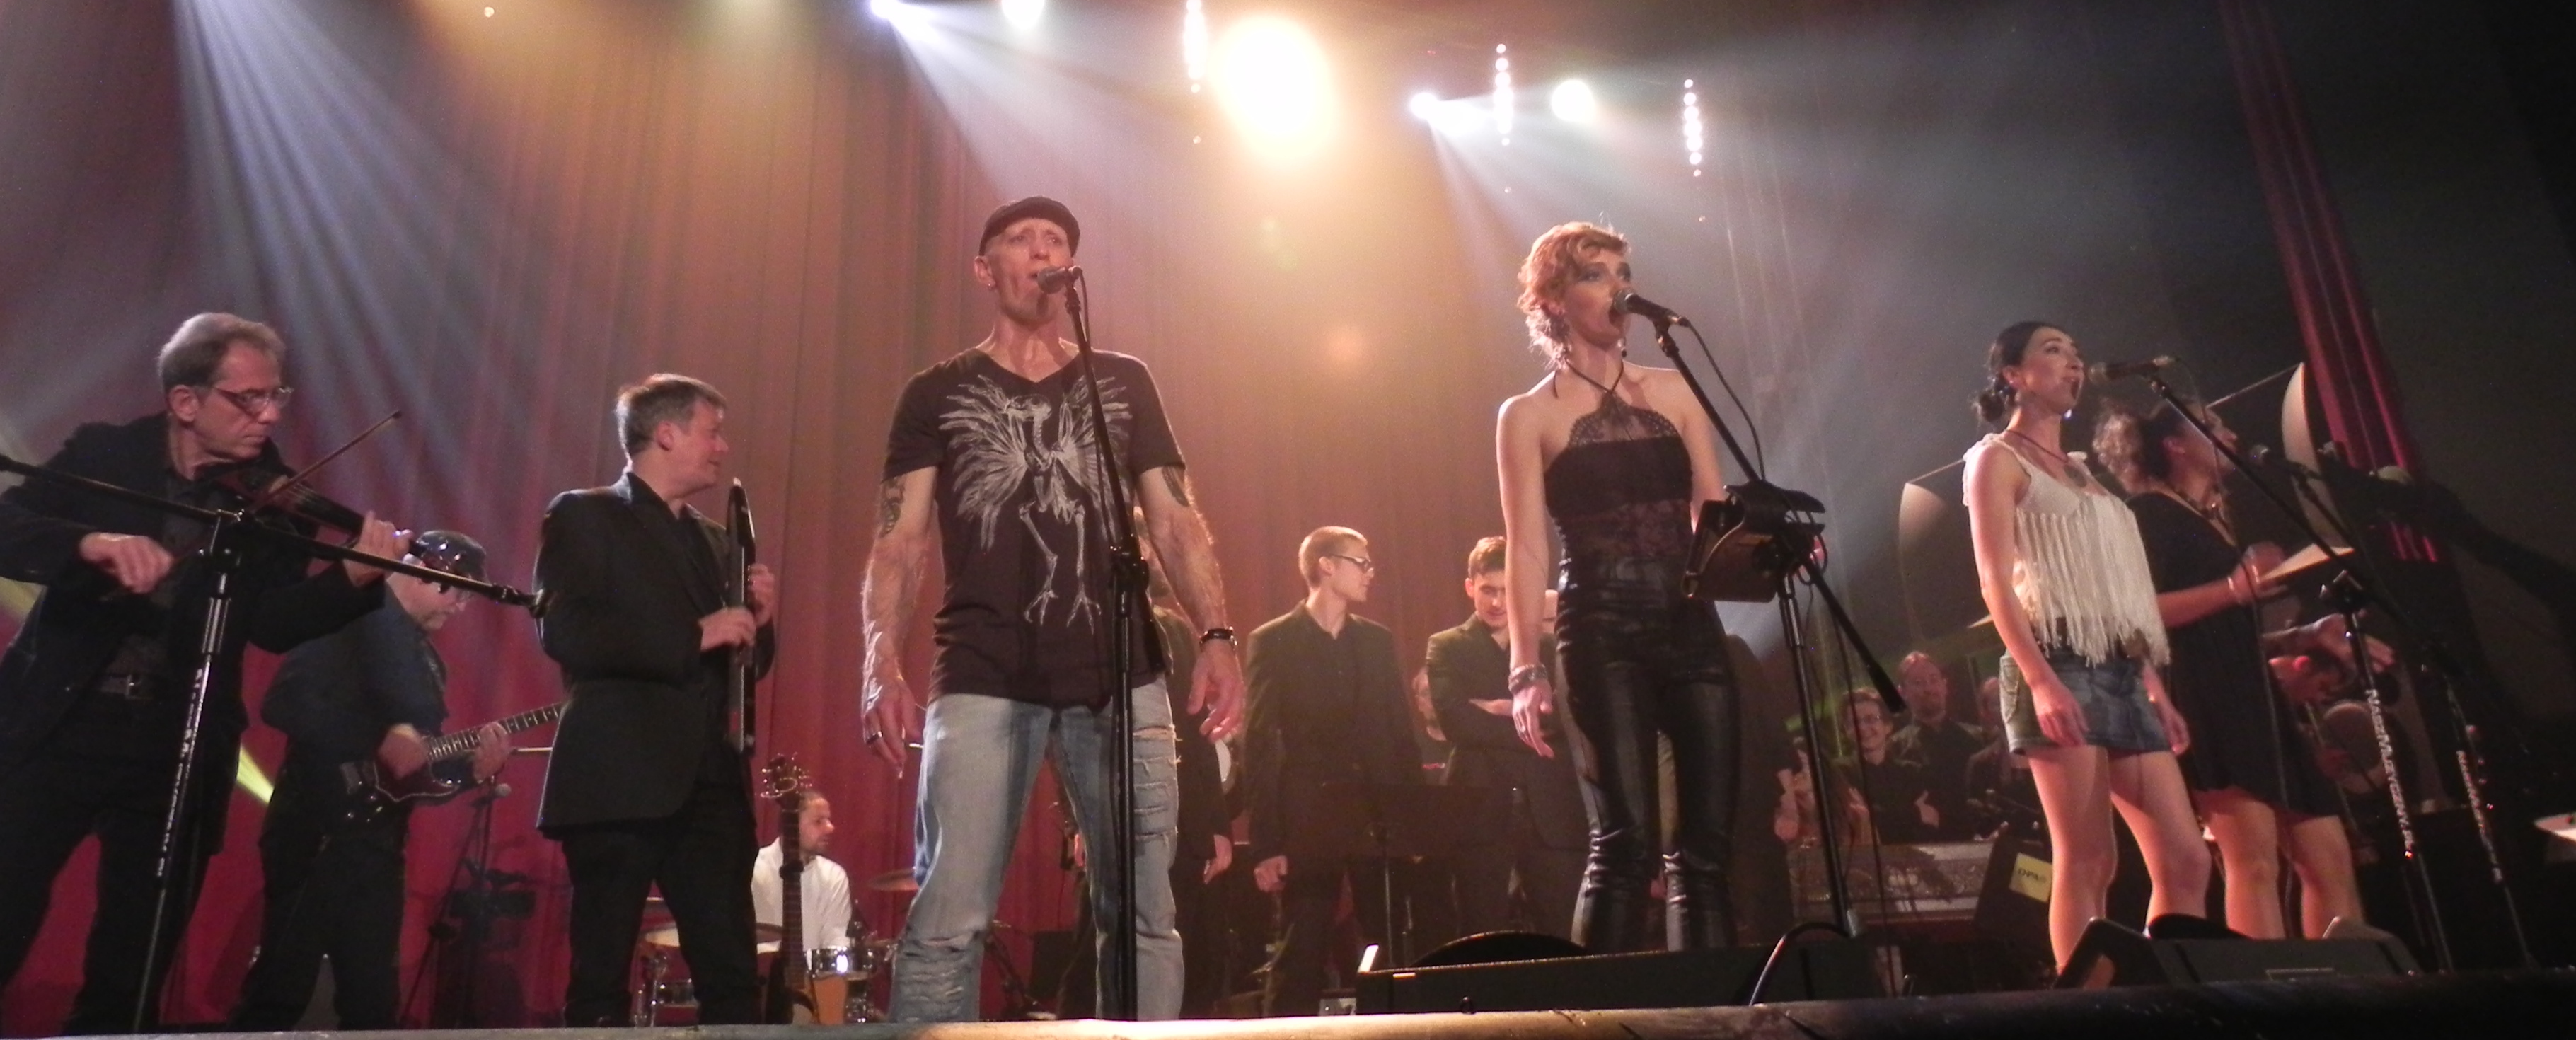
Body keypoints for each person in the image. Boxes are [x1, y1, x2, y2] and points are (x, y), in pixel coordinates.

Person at [859, 197, 1247, 1022]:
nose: (1042, 251)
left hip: (1119, 672)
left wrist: (1215, 633)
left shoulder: (1122, 380)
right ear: (985, 268)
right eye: (1021, 240)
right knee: (947, 916)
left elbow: (1174, 518)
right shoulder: (937, 392)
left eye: (1056, 240)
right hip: (982, 670)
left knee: (1142, 917)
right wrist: (879, 661)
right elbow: (900, 540)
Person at [0, 313, 401, 1033]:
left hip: (177, 738)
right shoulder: (106, 453)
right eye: (250, 398)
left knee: (135, 957)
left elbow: (271, 623)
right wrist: (89, 543)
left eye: (277, 396)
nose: (270, 415)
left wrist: (350, 581)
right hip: (59, 722)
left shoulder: (274, 495)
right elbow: (9, 528)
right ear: (186, 401)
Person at [1494, 222, 1746, 952]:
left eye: (1622, 273)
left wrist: (1762, 543)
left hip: (1688, 619)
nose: (1617, 288)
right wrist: (1524, 667)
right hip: (1600, 623)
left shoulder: (1675, 390)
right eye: (1594, 274)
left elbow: (1709, 511)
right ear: (1553, 300)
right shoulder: (1528, 414)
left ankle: (1706, 1010)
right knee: (1623, 846)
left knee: (1705, 853)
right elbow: (1525, 547)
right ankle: (1591, 1012)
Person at [1961, 320, 2207, 971]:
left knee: (2186, 858)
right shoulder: (1996, 459)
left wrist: (2153, 688)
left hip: (2120, 667)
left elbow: (2115, 593)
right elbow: (1994, 581)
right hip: (2056, 657)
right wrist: (2041, 681)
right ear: (2013, 375)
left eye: (2075, 352)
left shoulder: (2083, 472)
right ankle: (2087, 1008)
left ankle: (2168, 995)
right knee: (2090, 858)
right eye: (2053, 351)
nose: (2072, 362)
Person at [533, 374, 777, 1027]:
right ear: (666, 434)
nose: (723, 448)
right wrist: (695, 634)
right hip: (618, 778)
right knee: (600, 973)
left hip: (710, 782)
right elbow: (567, 632)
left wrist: (759, 622)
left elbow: (744, 669)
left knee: (731, 974)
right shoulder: (586, 515)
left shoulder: (715, 540)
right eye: (711, 433)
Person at [2096, 400, 2362, 940]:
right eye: (2211, 425)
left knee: (2328, 855)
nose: (2229, 433)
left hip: (2253, 691)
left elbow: (2221, 622)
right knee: (2253, 861)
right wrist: (2232, 589)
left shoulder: (2210, 517)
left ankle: (2345, 983)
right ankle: (2264, 988)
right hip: (2204, 692)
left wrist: (2298, 636)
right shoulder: (2148, 513)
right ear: (2174, 445)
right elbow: (2136, 614)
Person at [230, 531, 512, 1030]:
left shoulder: (429, 663)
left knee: (373, 1005)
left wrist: (471, 772)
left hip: (379, 845)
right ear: (425, 574)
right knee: (280, 990)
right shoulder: (349, 621)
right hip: (316, 834)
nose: (462, 607)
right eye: (459, 592)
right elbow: (284, 703)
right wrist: (376, 739)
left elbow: (413, 768)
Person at [1242, 527, 1418, 1015]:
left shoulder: (1376, 641)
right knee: (1302, 943)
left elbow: (1400, 734)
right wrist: (1266, 843)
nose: (1370, 573)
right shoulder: (1273, 641)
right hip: (1309, 816)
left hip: (1375, 813)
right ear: (1326, 565)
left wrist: (1411, 822)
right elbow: (1259, 744)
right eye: (1361, 562)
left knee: (1387, 941)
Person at [1426, 536, 1586, 940]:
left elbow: (1568, 718)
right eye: (1487, 590)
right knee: (1479, 937)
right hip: (1480, 812)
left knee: (1562, 937)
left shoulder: (1549, 647)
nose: (1497, 602)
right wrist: (1530, 718)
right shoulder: (1446, 646)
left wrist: (1497, 708)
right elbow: (1458, 723)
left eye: (1504, 590)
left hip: (1550, 811)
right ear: (1470, 587)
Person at [1885, 652, 1982, 840]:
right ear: (1903, 692)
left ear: (1945, 685)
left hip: (1983, 841)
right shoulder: (1894, 749)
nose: (1928, 688)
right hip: (1928, 846)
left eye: (1933, 679)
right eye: (1918, 682)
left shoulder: (1979, 738)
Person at [752, 790, 853, 957]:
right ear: (790, 825)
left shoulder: (833, 876)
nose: (830, 828)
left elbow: (836, 939)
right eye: (818, 821)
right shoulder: (755, 869)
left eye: (828, 820)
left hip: (815, 974)